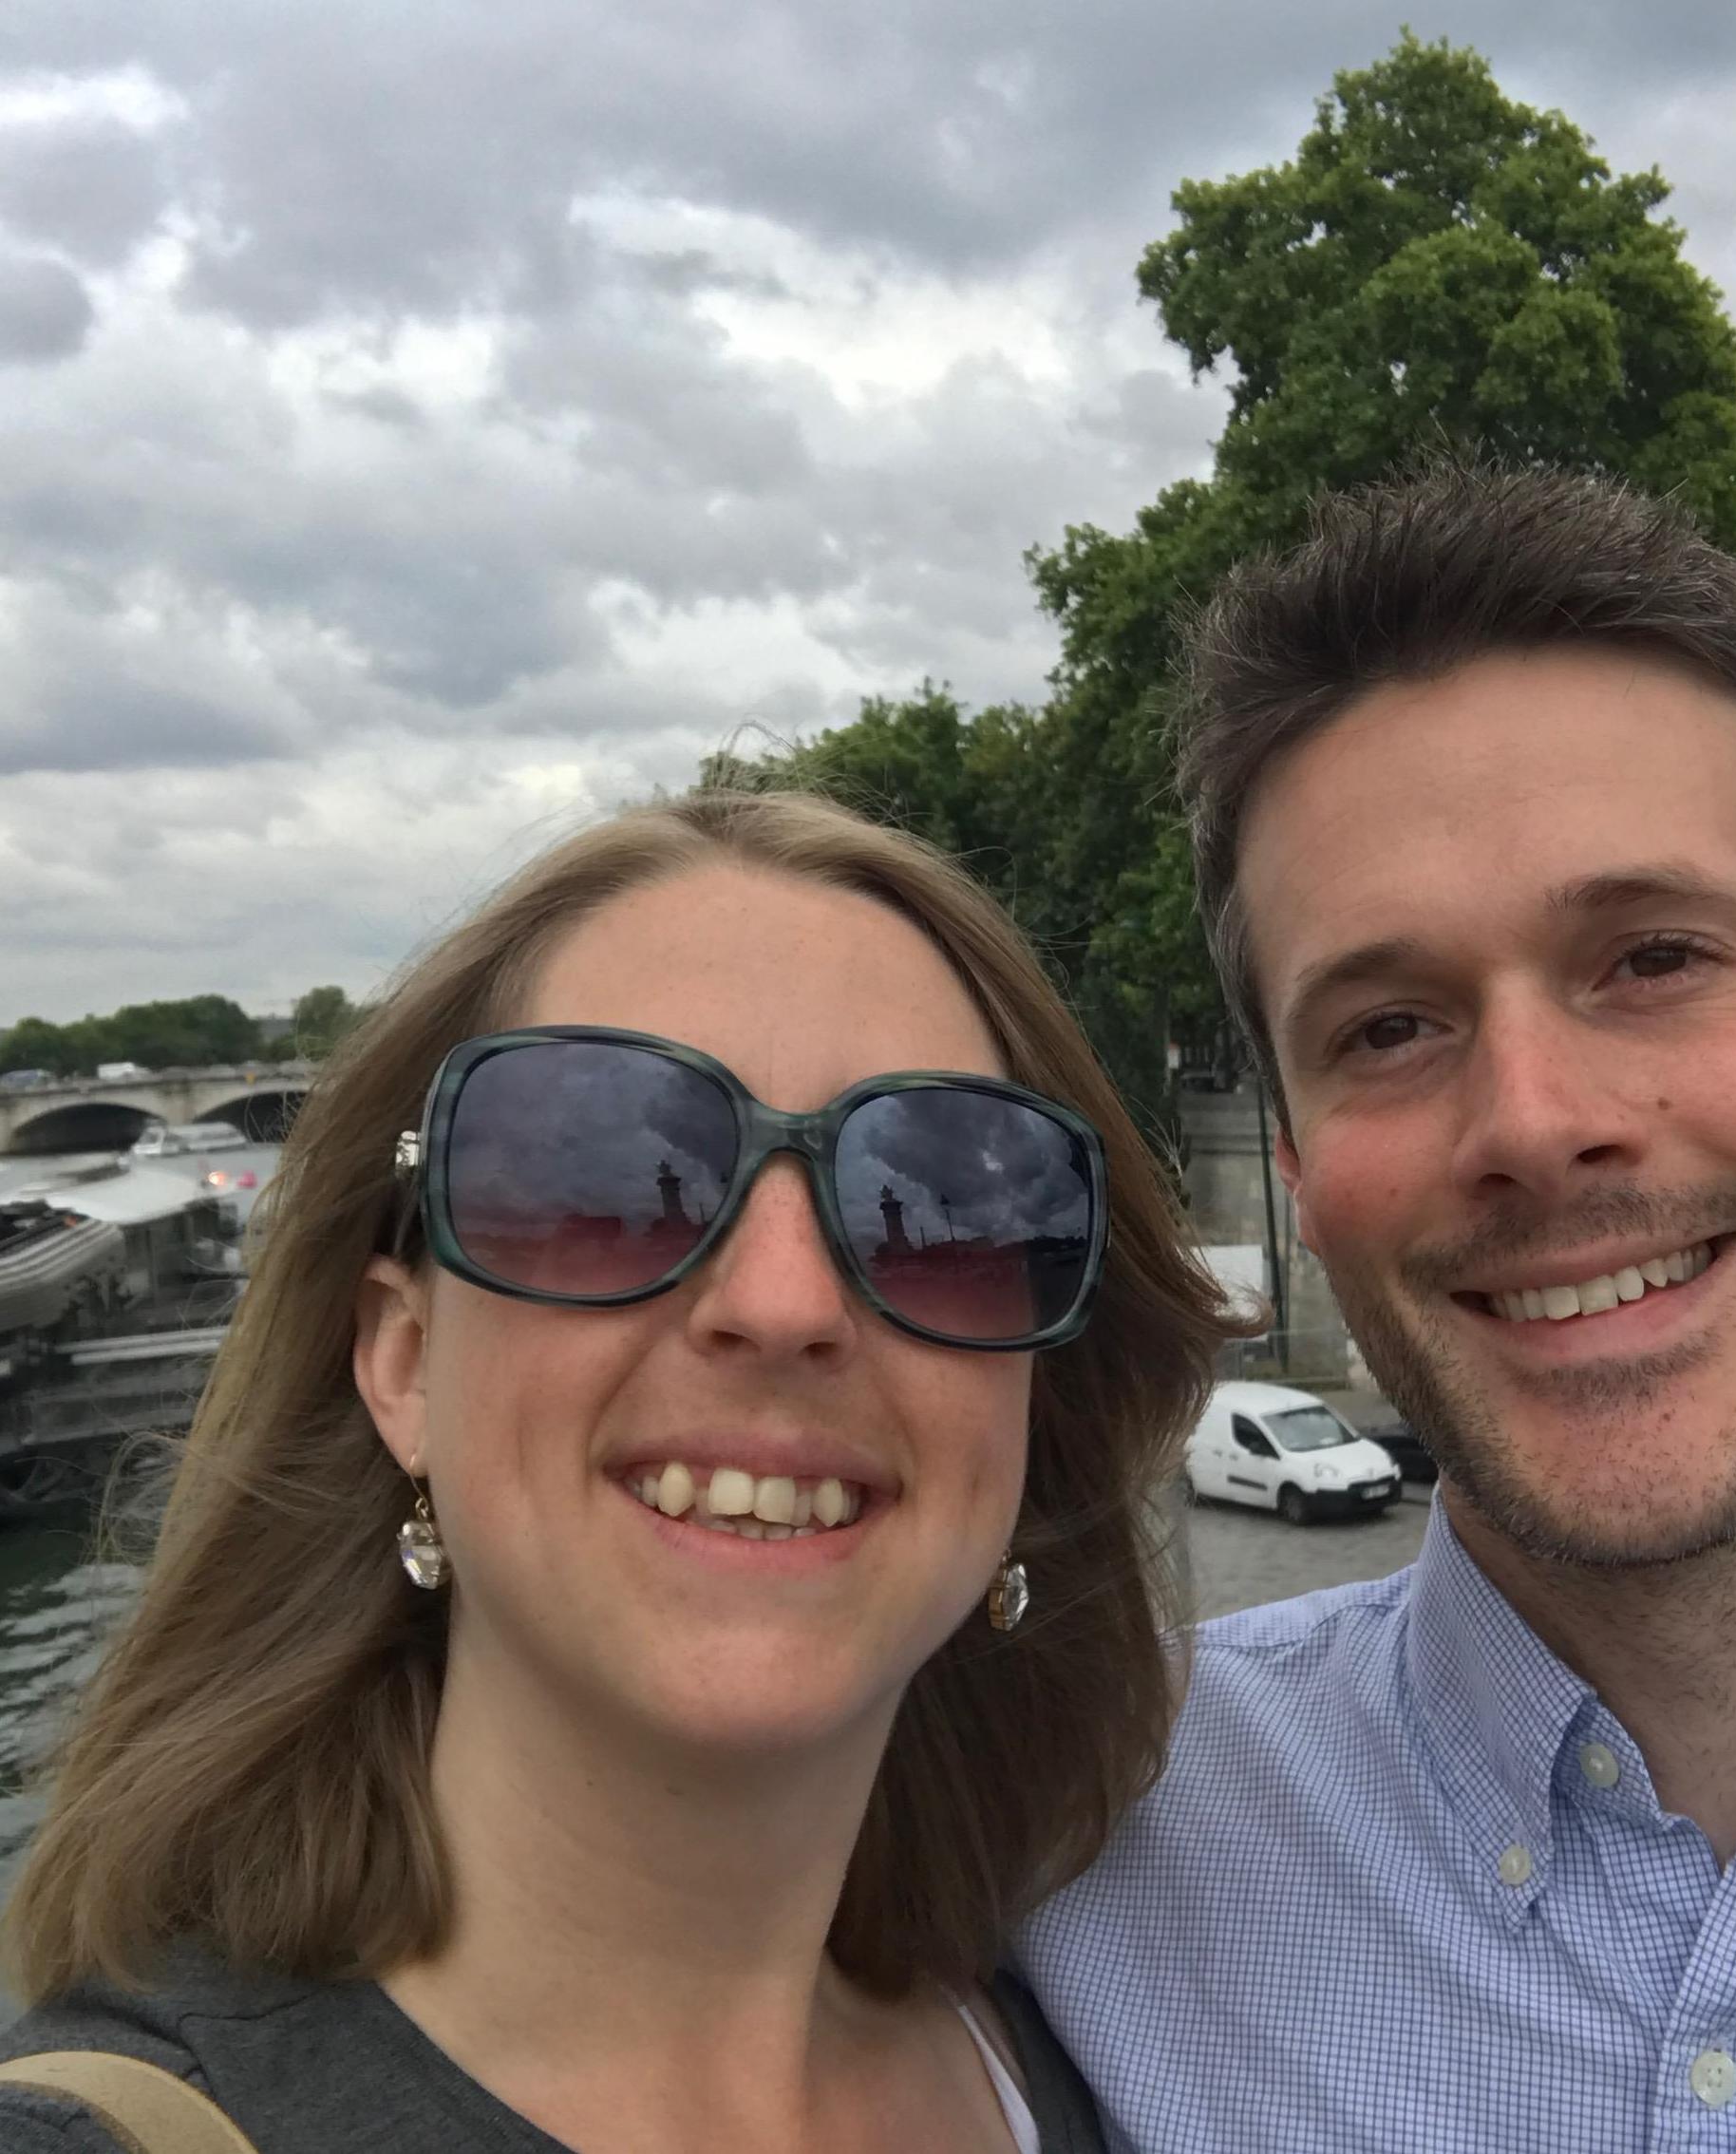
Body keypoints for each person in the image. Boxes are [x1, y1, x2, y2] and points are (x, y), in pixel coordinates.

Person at [1019, 463, 1736, 2150]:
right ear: (1297, 1164)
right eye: (1389, 1028)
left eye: (1655, 957)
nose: (1536, 1122)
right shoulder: (1068, 1845)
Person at [0, 789, 1243, 2153]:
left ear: (1025, 1417)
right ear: (403, 1364)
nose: (783, 1303)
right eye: (598, 1185)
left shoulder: (1115, 2054)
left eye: (943, 1205)